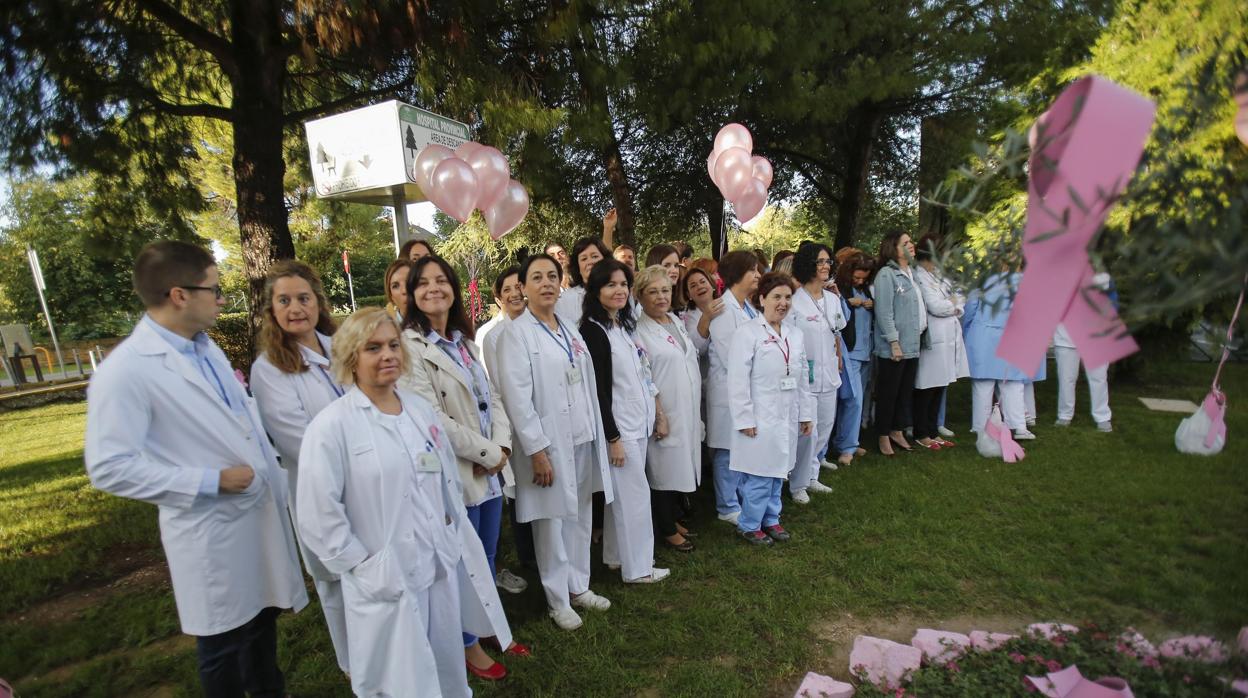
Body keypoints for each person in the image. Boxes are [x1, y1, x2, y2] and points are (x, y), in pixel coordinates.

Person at [85, 241, 307, 697]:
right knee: (224, 647)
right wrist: (210, 482)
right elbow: (109, 467)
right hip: (211, 529)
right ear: (179, 295)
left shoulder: (203, 349)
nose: (221, 299)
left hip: (253, 514)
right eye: (214, 289)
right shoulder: (126, 371)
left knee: (261, 634)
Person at [297, 308, 511, 697]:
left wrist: (449, 539)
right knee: (400, 679)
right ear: (350, 358)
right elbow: (318, 517)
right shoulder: (331, 428)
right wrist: (364, 567)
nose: (388, 355)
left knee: (446, 666)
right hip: (384, 577)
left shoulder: (418, 409)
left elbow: (444, 478)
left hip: (436, 562)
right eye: (373, 348)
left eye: (394, 345)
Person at [398, 256, 531, 680]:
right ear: (412, 294)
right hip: (459, 471)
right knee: (460, 562)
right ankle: (467, 645)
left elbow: (492, 397)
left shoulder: (463, 342)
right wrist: (489, 455)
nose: (434, 288)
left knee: (487, 555)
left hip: (490, 467)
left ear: (454, 289)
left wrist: (504, 446)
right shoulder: (409, 347)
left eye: (442, 281)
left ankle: (487, 622)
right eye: (424, 283)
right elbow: (432, 417)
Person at [494, 254, 615, 631]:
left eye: (552, 276)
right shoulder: (516, 334)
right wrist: (537, 451)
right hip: (548, 446)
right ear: (524, 288)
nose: (546, 283)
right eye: (537, 278)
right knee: (551, 523)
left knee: (580, 514)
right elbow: (517, 398)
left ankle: (579, 586)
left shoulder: (568, 328)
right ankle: (557, 598)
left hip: (580, 437)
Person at [248, 260, 349, 675]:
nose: (295, 308)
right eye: (284, 300)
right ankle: (354, 665)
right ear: (272, 309)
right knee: (336, 583)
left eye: (303, 298)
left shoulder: (341, 344)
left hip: (369, 481)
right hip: (318, 490)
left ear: (317, 302)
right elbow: (299, 440)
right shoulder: (268, 369)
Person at [578, 259, 669, 583]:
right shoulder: (592, 330)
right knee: (635, 499)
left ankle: (617, 558)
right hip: (621, 429)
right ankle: (639, 569)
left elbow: (639, 375)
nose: (618, 290)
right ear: (596, 289)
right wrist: (613, 437)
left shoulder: (620, 325)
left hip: (636, 423)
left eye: (622, 284)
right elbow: (598, 391)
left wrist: (655, 413)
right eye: (610, 284)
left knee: (624, 497)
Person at [728, 272, 814, 545]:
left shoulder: (795, 334)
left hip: (786, 416)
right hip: (760, 417)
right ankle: (749, 523)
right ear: (762, 298)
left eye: (788, 297)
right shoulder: (747, 333)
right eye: (776, 296)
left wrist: (806, 414)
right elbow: (737, 380)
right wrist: (744, 419)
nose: (783, 303)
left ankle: (771, 519)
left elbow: (802, 379)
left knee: (779, 473)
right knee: (760, 474)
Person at [476, 264, 537, 592]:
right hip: (509, 426)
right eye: (507, 289)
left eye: (519, 286)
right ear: (498, 297)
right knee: (518, 492)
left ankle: (539, 551)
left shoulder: (536, 327)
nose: (515, 293)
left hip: (538, 421)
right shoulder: (490, 334)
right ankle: (527, 553)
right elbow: (496, 387)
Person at [633, 266, 702, 552]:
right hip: (665, 411)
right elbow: (644, 376)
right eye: (653, 292)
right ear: (640, 296)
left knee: (679, 467)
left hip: (686, 408)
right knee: (662, 472)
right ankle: (666, 528)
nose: (661, 297)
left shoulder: (673, 319)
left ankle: (673, 519)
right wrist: (659, 414)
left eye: (665, 290)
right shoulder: (639, 331)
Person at [706, 250, 762, 524]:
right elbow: (733, 358)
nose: (758, 275)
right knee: (727, 448)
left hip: (747, 388)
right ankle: (726, 506)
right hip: (728, 391)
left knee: (741, 446)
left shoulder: (747, 306)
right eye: (752, 270)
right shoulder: (724, 310)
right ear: (738, 274)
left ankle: (738, 497)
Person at [787, 243, 842, 502]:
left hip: (829, 373)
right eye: (819, 261)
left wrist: (839, 358)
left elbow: (837, 334)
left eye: (828, 261)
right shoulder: (794, 302)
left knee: (825, 425)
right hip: (804, 377)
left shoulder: (833, 300)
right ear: (807, 265)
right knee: (807, 431)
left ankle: (812, 475)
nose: (825, 266)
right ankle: (797, 482)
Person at [961, 270, 1038, 439]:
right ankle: (1018, 426)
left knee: (984, 384)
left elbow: (970, 310)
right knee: (1012, 384)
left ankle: (981, 426)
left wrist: (966, 334)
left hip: (983, 336)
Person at [872, 231, 925, 456]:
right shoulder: (887, 275)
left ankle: (897, 430)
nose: (912, 245)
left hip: (912, 344)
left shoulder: (910, 273)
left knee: (904, 392)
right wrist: (894, 341)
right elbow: (884, 312)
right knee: (889, 393)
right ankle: (883, 435)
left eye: (911, 241)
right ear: (893, 248)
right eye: (906, 243)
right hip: (895, 346)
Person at [913, 240, 968, 450]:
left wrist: (953, 305)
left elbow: (960, 297)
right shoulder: (920, 275)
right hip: (933, 334)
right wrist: (953, 304)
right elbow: (934, 306)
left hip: (948, 333)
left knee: (940, 384)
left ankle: (933, 430)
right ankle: (921, 432)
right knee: (927, 385)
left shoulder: (940, 275)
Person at [830, 252, 872, 467]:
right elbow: (838, 319)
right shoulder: (839, 289)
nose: (860, 281)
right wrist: (848, 301)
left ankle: (849, 442)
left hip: (865, 350)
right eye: (856, 277)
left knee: (858, 398)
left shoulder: (866, 289)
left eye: (863, 278)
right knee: (852, 399)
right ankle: (846, 445)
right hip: (850, 350)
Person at [1053, 323, 1113, 431]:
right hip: (1065, 338)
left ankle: (1102, 416)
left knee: (1099, 379)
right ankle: (1064, 415)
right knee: (1066, 379)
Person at [554, 237, 610, 326]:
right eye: (584, 259)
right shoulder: (565, 301)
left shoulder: (619, 294)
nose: (590, 262)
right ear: (578, 267)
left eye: (595, 256)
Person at [680, 266, 723, 369]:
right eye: (693, 286)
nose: (699, 287)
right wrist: (706, 316)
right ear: (688, 294)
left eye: (703, 281)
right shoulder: (688, 318)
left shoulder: (726, 304)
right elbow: (697, 348)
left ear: (711, 284)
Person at [384, 258, 414, 324]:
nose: (404, 291)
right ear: (391, 295)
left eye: (409, 282)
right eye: (395, 286)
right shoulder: (388, 331)